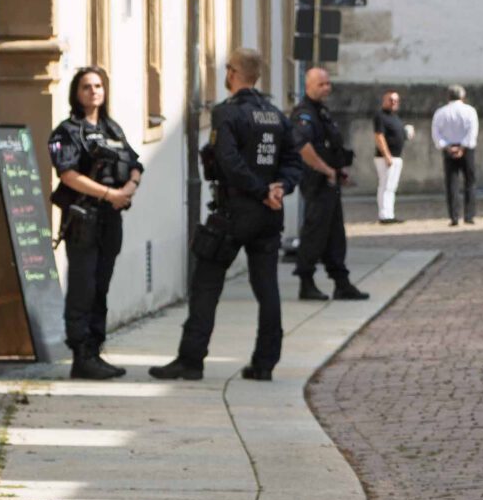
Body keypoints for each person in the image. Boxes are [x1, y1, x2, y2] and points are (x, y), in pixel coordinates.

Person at [153, 49, 301, 381]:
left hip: (235, 211)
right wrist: (280, 188)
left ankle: (191, 360)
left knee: (206, 284)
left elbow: (228, 161)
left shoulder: (227, 113)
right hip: (269, 214)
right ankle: (265, 363)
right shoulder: (276, 115)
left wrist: (261, 191)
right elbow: (293, 160)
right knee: (267, 289)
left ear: (233, 73)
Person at [49, 66, 143, 379]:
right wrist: (108, 194)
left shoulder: (112, 129)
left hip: (110, 218)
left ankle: (95, 350)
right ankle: (81, 355)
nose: (93, 91)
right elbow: (67, 174)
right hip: (83, 218)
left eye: (98, 86)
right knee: (83, 287)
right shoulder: (67, 131)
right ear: (76, 93)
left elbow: (135, 163)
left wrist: (127, 189)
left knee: (101, 286)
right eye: (87, 87)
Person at [290, 66, 368, 302]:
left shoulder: (321, 112)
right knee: (314, 233)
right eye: (321, 84)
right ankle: (306, 282)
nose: (326, 88)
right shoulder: (304, 114)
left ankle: (341, 283)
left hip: (330, 182)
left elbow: (329, 146)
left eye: (328, 83)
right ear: (308, 86)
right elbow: (303, 147)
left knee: (335, 235)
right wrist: (326, 170)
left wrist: (338, 170)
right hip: (316, 182)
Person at [433, 82, 480, 226]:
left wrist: (447, 147)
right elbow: (472, 131)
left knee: (451, 183)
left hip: (449, 148)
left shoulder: (441, 112)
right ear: (463, 96)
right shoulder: (470, 111)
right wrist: (463, 147)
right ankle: (469, 216)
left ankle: (454, 217)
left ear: (448, 96)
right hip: (466, 149)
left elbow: (436, 133)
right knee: (470, 183)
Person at [372, 88, 407, 223]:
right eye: (391, 100)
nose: (393, 102)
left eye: (396, 100)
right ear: (384, 100)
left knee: (391, 187)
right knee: (385, 186)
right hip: (386, 157)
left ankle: (389, 213)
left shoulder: (394, 117)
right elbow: (379, 136)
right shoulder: (380, 116)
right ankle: (384, 215)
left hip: (396, 156)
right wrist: (386, 155)